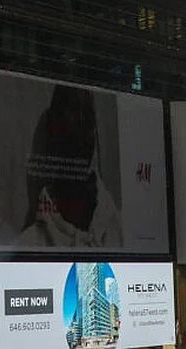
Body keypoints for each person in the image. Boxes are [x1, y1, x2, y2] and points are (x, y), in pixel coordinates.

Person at [17, 84, 122, 248]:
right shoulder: (28, 243)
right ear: (54, 128)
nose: (83, 122)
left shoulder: (120, 228)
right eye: (73, 109)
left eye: (88, 114)